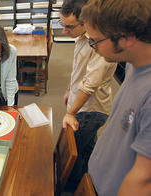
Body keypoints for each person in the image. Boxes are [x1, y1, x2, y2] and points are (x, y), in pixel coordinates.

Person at [80, 0, 151, 195]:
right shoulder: (132, 63)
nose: (93, 47)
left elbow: (143, 179)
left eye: (95, 41)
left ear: (127, 38)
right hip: (97, 180)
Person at [59, 0, 117, 191]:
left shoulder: (99, 43)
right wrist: (70, 89)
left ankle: (74, 188)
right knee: (86, 149)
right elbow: (78, 69)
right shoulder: (82, 36)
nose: (64, 31)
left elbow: (90, 85)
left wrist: (71, 112)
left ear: (86, 22)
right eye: (62, 25)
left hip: (90, 110)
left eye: (69, 27)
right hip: (81, 105)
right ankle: (86, 183)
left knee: (72, 154)